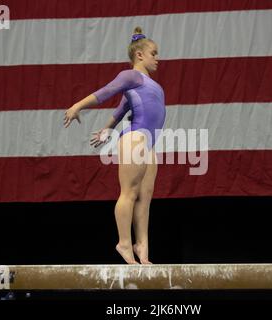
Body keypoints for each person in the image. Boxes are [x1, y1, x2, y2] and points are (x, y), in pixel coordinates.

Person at [64, 27, 166, 264]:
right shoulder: (131, 76)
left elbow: (121, 109)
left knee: (146, 196)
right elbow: (106, 91)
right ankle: (124, 242)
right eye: (154, 53)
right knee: (129, 192)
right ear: (139, 55)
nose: (157, 58)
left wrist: (107, 129)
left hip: (150, 142)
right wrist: (77, 106)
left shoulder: (150, 84)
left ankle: (143, 246)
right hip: (135, 136)